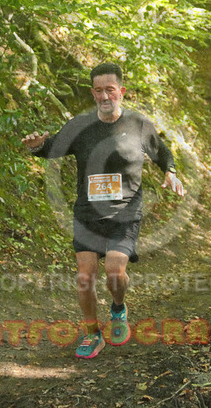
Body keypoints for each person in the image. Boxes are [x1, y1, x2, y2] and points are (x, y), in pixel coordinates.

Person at [21, 63, 184, 359]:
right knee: (85, 277)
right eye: (99, 91)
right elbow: (53, 148)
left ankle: (118, 307)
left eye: (110, 89)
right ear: (93, 93)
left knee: (114, 273)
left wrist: (170, 172)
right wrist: (36, 147)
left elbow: (161, 152)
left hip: (125, 213)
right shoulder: (80, 126)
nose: (105, 96)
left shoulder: (138, 124)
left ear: (121, 91)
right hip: (87, 213)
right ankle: (92, 333)